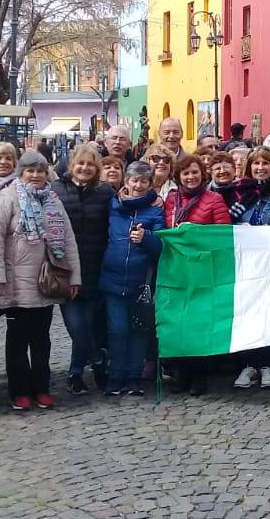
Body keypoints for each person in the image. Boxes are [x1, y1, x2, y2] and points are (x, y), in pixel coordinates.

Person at [0, 151, 82, 411]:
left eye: (40, 170)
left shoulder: (53, 200)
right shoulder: (5, 199)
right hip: (16, 283)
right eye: (30, 171)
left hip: (47, 281)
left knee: (42, 340)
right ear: (21, 173)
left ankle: (42, 388)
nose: (36, 175)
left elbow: (68, 240)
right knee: (17, 340)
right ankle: (19, 391)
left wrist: (74, 277)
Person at [50, 142, 116, 395]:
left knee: (86, 324)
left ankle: (75, 372)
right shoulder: (55, 190)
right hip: (65, 271)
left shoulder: (105, 192)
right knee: (75, 325)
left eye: (90, 164)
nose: (85, 168)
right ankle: (98, 360)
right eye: (80, 163)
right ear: (71, 165)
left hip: (96, 267)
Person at [231, 148, 270, 390]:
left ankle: (269, 364)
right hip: (245, 265)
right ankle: (248, 364)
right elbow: (227, 224)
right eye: (255, 164)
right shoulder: (238, 192)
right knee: (248, 313)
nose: (260, 168)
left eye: (265, 164)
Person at [166, 153, 231, 395]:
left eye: (194, 172)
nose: (190, 177)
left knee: (199, 324)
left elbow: (222, 234)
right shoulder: (172, 200)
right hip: (177, 271)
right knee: (179, 324)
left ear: (202, 174)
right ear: (179, 177)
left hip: (204, 270)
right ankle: (181, 373)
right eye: (185, 173)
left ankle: (199, 376)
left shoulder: (213, 199)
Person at [101, 161, 165, 397]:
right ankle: (116, 376)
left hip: (141, 281)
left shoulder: (156, 210)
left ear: (150, 184)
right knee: (117, 329)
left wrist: (146, 237)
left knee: (139, 331)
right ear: (126, 182)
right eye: (134, 180)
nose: (138, 185)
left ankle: (134, 377)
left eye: (143, 181)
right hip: (113, 278)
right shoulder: (113, 205)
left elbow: (162, 245)